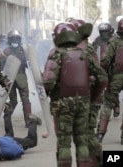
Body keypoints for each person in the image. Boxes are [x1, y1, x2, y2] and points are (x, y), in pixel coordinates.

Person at [43, 22, 108, 167]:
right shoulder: (84, 54)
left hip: (62, 105)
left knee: (64, 142)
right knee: (82, 140)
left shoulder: (56, 54)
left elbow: (47, 82)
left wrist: (48, 93)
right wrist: (91, 98)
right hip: (83, 104)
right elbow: (102, 78)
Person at [66, 17, 106, 167]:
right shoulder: (81, 47)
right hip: (87, 97)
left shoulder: (83, 49)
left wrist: (92, 98)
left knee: (87, 134)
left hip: (89, 97)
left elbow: (99, 77)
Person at [97, 18, 123, 145]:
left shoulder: (114, 42)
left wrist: (103, 74)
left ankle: (100, 133)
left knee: (107, 104)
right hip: (116, 77)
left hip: (115, 79)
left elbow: (105, 60)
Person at [1, 30, 32, 128]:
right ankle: (7, 116)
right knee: (13, 101)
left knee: (25, 99)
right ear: (9, 40)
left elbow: (30, 64)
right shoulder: (5, 52)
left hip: (21, 77)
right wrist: (4, 61)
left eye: (17, 39)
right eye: (13, 39)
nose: (15, 40)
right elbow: (1, 67)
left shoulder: (24, 51)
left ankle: (28, 120)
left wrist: (29, 61)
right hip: (10, 79)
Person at [92, 22, 120, 117]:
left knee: (112, 87)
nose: (104, 34)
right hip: (101, 65)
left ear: (110, 31)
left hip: (113, 66)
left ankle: (116, 106)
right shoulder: (97, 40)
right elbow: (93, 51)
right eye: (102, 32)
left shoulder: (115, 40)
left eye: (105, 32)